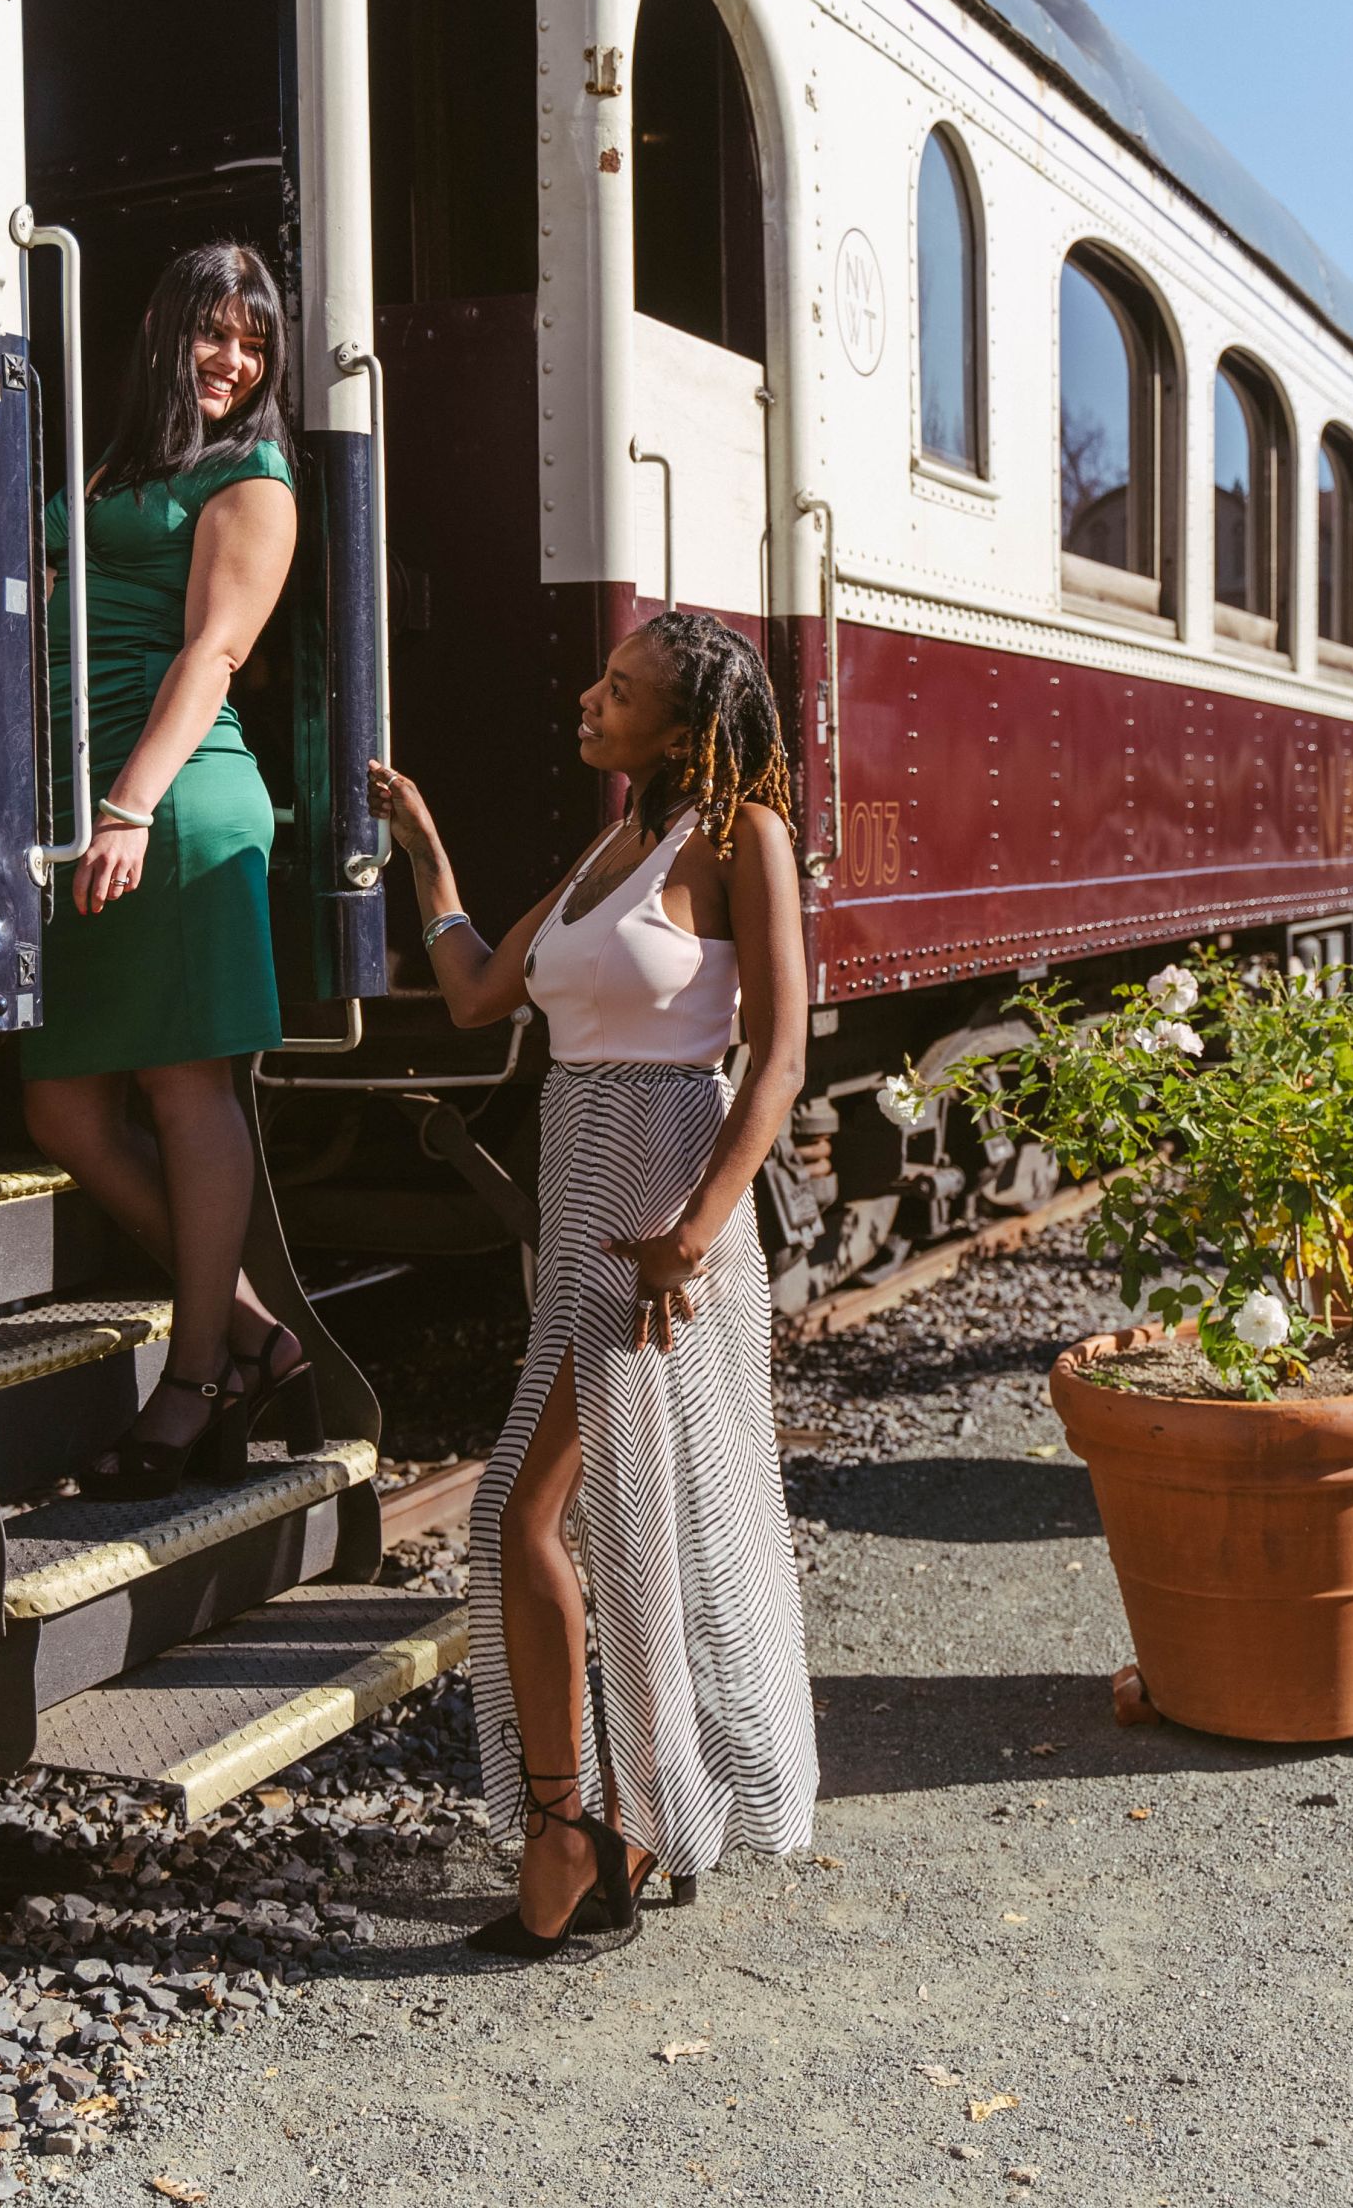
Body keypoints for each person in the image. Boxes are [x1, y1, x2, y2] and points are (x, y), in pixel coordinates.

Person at [369, 610, 819, 1960]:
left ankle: (568, 1830)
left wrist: (693, 1230)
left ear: (679, 731)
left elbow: (783, 1055)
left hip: (655, 1223)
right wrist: (427, 851)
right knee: (617, 1519)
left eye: (616, 692)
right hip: (582, 1216)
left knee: (523, 1515)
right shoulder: (608, 847)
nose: (586, 698)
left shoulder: (742, 840)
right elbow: (473, 996)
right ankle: (630, 1816)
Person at [22, 242, 316, 1499]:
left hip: (174, 802)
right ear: (163, 328)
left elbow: (213, 655)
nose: (232, 361)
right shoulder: (114, 457)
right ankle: (248, 1330)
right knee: (64, 1109)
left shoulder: (255, 477)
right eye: (215, 332)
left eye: (253, 345)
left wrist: (131, 806)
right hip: (90, 805)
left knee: (188, 1094)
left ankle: (194, 1381)